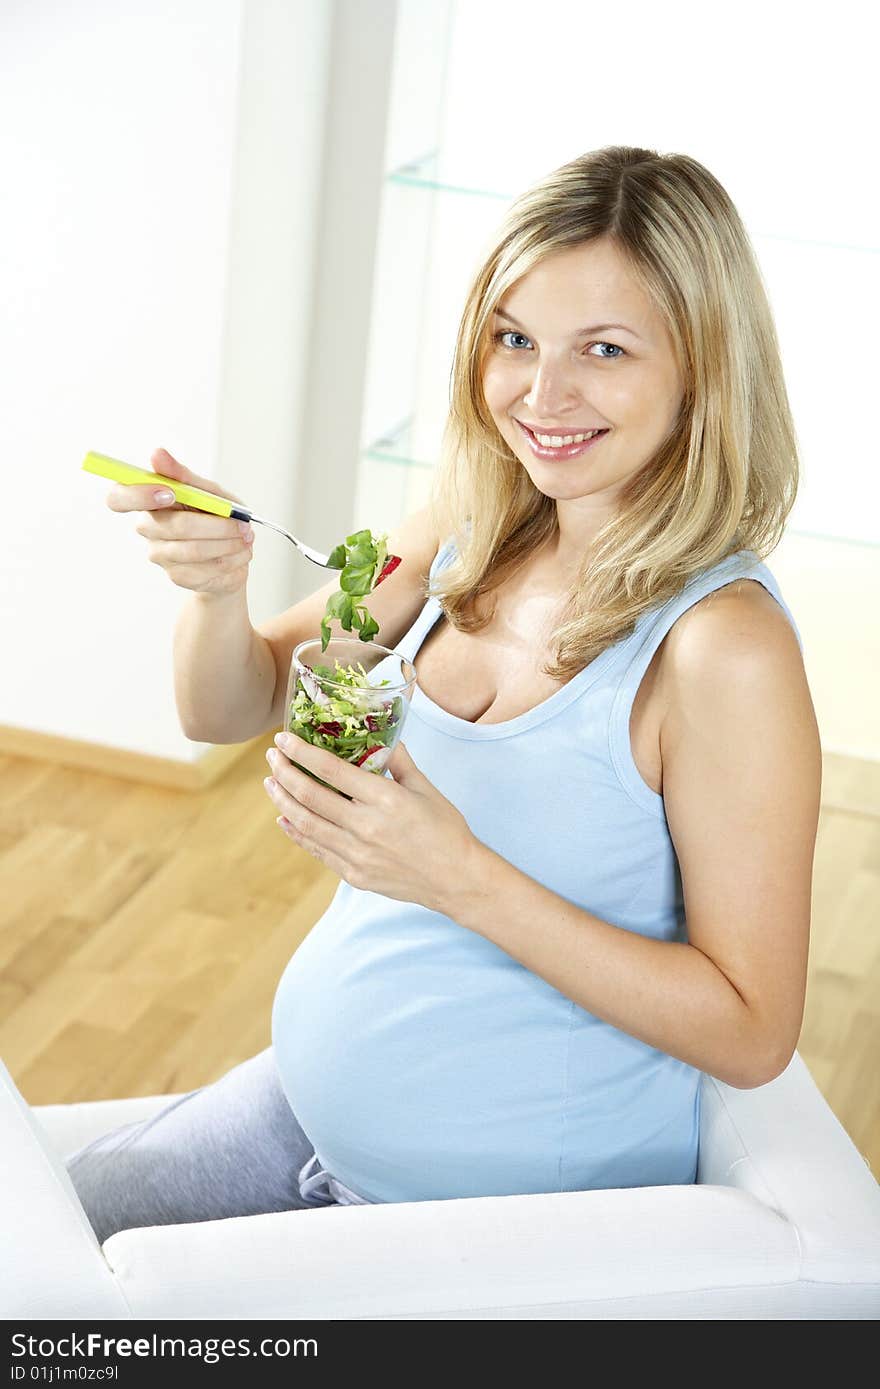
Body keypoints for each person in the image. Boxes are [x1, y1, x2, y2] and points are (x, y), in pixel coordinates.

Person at [66, 144, 821, 1242]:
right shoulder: (462, 530)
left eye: (602, 350)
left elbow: (753, 1029)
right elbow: (235, 703)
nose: (539, 393)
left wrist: (457, 875)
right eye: (513, 338)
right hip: (308, 1114)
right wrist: (219, 595)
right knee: (33, 1262)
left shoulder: (720, 649)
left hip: (496, 1209)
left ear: (702, 370)